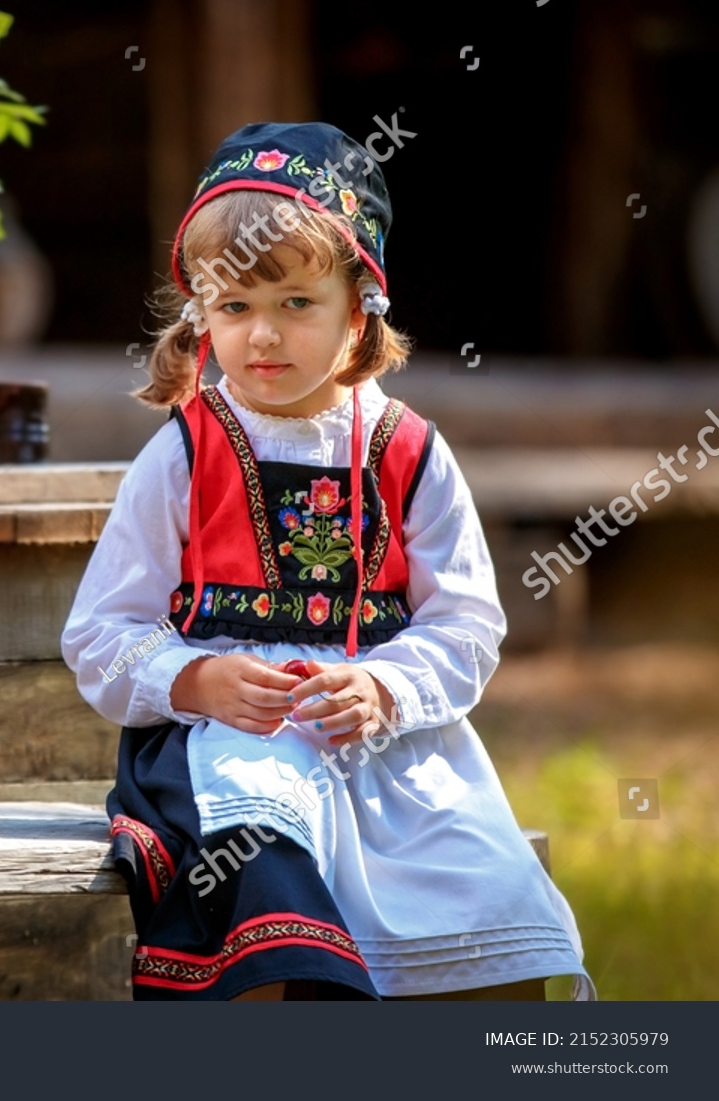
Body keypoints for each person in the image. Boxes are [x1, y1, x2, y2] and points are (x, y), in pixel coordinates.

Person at [61, 122, 594, 1001]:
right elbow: (101, 632)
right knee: (265, 853)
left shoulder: (410, 452)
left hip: (385, 750)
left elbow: (466, 625)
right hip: (225, 741)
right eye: (233, 308)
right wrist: (196, 680)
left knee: (476, 883)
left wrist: (384, 688)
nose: (261, 336)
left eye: (294, 304)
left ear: (362, 306)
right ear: (202, 313)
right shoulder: (187, 453)